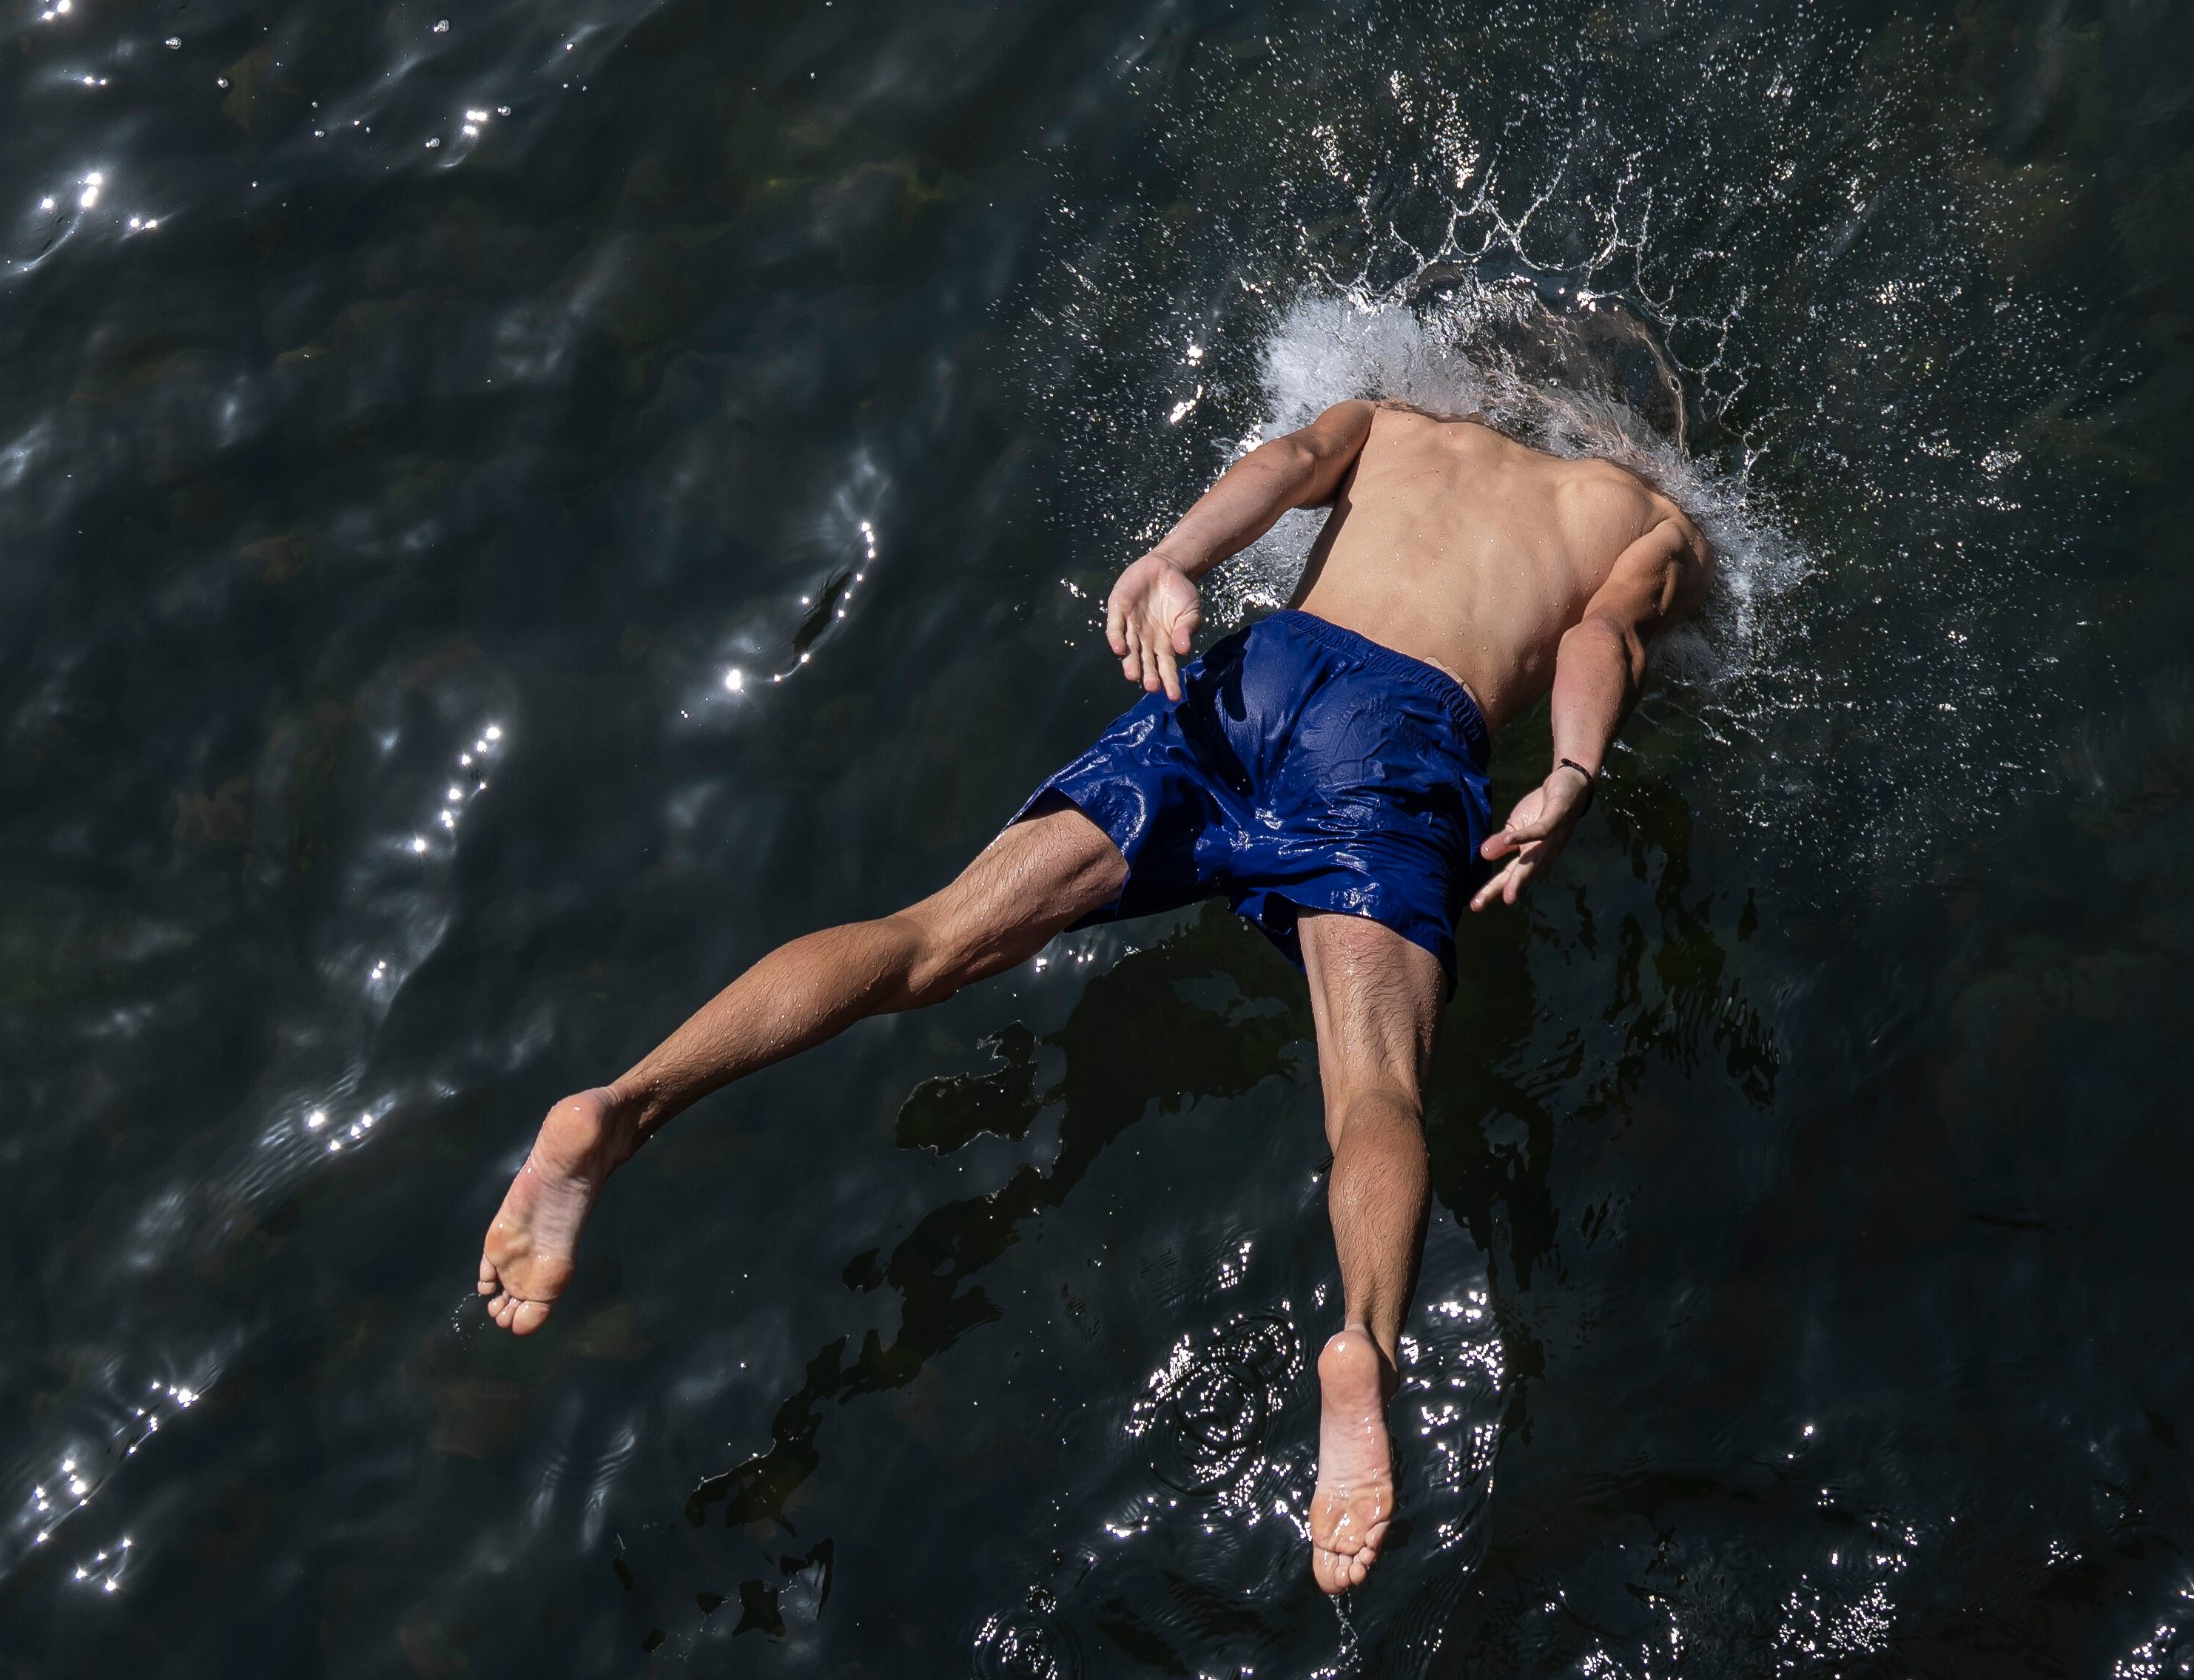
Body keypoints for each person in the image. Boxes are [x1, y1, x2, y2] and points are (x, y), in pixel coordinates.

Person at [475, 397, 1713, 1593]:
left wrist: (1170, 561)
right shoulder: (1647, 515)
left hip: (1260, 674)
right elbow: (1602, 642)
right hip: (1401, 736)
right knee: (1374, 1087)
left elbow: (1283, 462)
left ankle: (624, 1106)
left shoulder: (1396, 420)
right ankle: (1362, 1344)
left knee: (927, 938)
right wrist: (1567, 773)